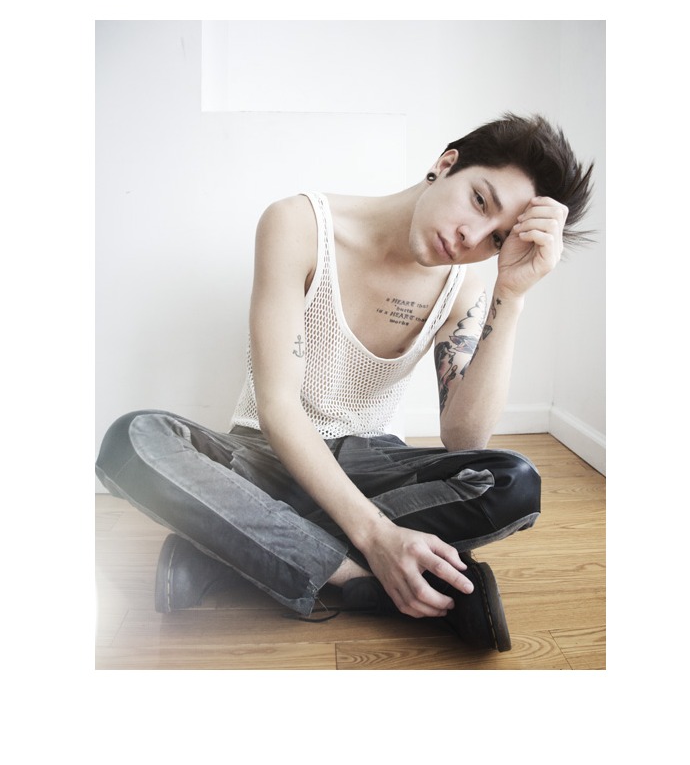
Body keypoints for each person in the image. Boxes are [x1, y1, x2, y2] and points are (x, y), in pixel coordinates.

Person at [96, 112, 593, 652]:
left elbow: (464, 439)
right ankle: (360, 581)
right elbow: (278, 407)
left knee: (513, 480)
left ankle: (229, 552)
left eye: (495, 238)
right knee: (131, 440)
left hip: (368, 463)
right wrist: (377, 537)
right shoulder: (299, 225)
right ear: (446, 164)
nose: (470, 236)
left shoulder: (464, 286)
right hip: (263, 458)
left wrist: (510, 296)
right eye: (479, 200)